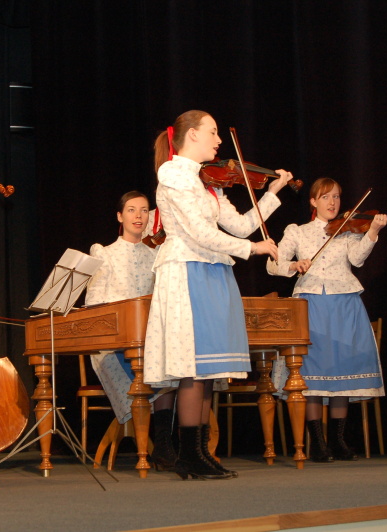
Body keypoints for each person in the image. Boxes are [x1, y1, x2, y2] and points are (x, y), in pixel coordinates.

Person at [143, 110, 293, 480]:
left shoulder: (207, 181)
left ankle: (200, 452)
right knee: (194, 366)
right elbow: (199, 233)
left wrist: (271, 194)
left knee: (208, 367)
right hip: (188, 269)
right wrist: (253, 249)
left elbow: (240, 225)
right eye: (213, 132)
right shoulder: (174, 174)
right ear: (192, 134)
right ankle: (188, 455)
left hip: (211, 270)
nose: (219, 140)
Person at [266, 177, 386, 462]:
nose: (333, 202)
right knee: (311, 373)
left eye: (336, 197)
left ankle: (338, 440)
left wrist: (372, 232)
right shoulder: (297, 231)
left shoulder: (347, 231)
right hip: (311, 305)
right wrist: (294, 265)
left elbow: (357, 259)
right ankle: (317, 442)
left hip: (344, 303)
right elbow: (273, 265)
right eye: (326, 197)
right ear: (313, 201)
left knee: (342, 371)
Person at [85, 190, 177, 471]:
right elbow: (93, 305)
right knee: (148, 367)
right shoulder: (104, 253)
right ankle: (154, 447)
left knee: (171, 365)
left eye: (144, 210)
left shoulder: (157, 255)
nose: (139, 216)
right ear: (120, 216)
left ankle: (163, 445)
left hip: (150, 341)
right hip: (113, 344)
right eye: (131, 210)